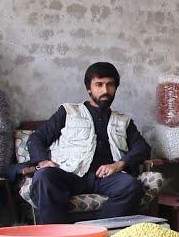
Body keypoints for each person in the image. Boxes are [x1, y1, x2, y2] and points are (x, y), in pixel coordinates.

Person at [27, 62, 151, 224]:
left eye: (110, 85)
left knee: (131, 186)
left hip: (105, 178)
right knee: (44, 176)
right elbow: (37, 138)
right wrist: (43, 161)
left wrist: (119, 165)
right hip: (70, 174)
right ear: (89, 88)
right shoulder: (68, 111)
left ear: (116, 88)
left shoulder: (123, 120)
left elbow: (142, 148)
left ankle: (97, 233)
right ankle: (58, 236)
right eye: (99, 85)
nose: (105, 91)